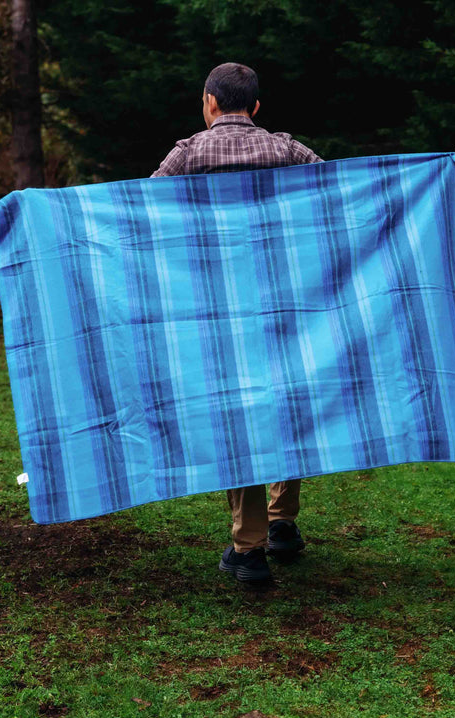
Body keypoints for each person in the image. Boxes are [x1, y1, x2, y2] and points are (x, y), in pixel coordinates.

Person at [152, 62, 322, 583]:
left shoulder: (187, 155)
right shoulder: (288, 151)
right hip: (283, 304)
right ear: (254, 108)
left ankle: (248, 549)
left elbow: (139, 213)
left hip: (214, 311)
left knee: (236, 415)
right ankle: (283, 523)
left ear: (208, 102)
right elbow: (339, 197)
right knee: (285, 402)